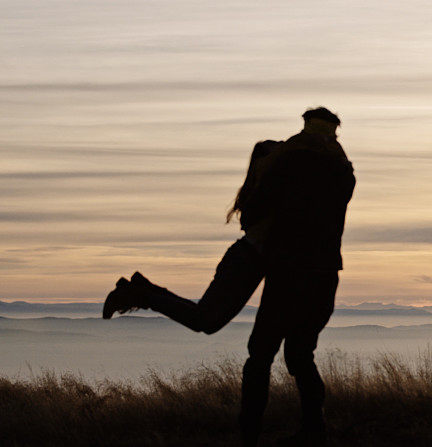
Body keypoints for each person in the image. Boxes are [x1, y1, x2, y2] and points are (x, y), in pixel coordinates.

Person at [103, 107, 356, 446]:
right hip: (291, 265)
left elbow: (257, 210)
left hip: (299, 267)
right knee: (248, 340)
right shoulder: (325, 165)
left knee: (279, 352)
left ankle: (299, 433)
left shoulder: (303, 160)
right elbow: (260, 212)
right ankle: (142, 294)